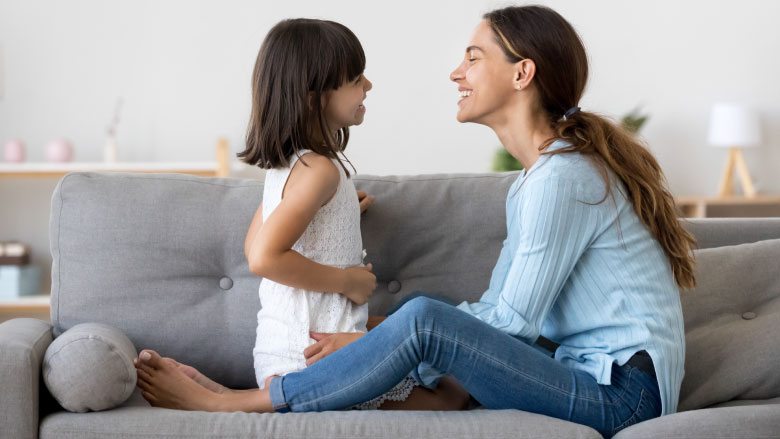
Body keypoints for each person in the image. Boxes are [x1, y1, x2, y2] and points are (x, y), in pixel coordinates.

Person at [135, 5, 697, 437]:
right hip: (587, 373)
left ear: (522, 73)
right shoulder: (537, 180)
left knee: (423, 318)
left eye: (474, 57)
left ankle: (234, 403)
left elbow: (509, 324)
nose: (457, 71)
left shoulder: (562, 178)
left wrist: (380, 341)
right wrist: (378, 336)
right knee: (420, 326)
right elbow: (501, 313)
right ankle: (265, 390)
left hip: (622, 396)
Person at [134, 18, 469, 411]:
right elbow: (263, 257)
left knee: (436, 360)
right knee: (453, 395)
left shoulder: (290, 168)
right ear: (314, 97)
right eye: (356, 78)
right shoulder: (320, 172)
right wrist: (347, 281)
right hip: (317, 358)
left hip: (288, 352)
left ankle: (229, 394)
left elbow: (253, 245)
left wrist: (339, 214)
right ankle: (234, 403)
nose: (369, 86)